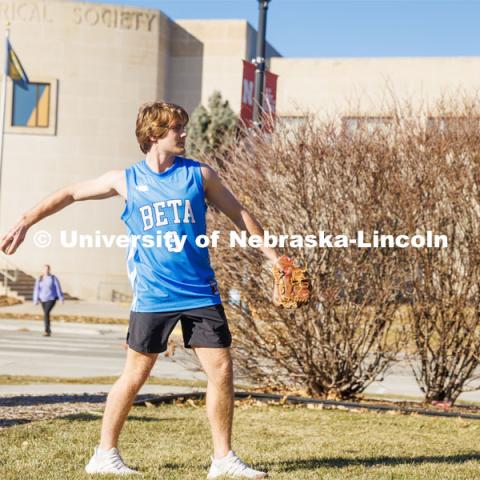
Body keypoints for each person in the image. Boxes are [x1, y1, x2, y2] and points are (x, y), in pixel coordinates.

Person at [0, 101, 280, 479]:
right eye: (176, 128)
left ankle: (223, 459)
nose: (184, 133)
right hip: (153, 295)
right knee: (135, 375)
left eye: (183, 126)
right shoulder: (126, 180)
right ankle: (104, 454)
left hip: (200, 291)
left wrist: (274, 257)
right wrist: (24, 222)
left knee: (222, 371)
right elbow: (69, 193)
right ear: (154, 135)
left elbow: (239, 213)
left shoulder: (200, 174)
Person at [33, 264, 64, 336]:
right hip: (43, 299)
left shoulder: (53, 278)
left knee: (46, 313)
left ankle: (46, 330)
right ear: (43, 270)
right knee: (46, 314)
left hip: (51, 298)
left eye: (47, 269)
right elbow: (36, 289)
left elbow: (58, 288)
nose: (46, 270)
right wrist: (35, 299)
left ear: (49, 270)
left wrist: (61, 298)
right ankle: (48, 330)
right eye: (45, 269)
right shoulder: (40, 278)